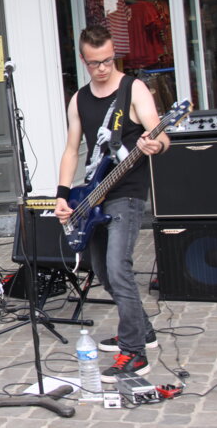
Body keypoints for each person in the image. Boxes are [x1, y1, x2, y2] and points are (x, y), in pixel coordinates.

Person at [54, 25, 167, 383]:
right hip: (94, 193)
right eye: (94, 63)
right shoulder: (79, 100)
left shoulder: (133, 88)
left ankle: (134, 352)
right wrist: (62, 194)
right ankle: (142, 329)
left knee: (119, 268)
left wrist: (156, 144)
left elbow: (160, 134)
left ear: (113, 53)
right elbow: (72, 150)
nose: (102, 68)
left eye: (107, 60)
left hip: (128, 191)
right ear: (84, 60)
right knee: (101, 270)